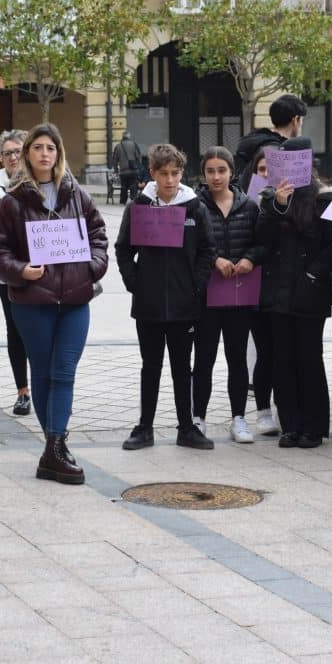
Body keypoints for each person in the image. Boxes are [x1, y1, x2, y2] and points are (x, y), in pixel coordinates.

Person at [0, 123, 108, 484]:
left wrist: (92, 266)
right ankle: (54, 447)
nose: (44, 153)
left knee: (64, 370)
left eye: (50, 148)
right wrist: (20, 271)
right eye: (37, 147)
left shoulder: (77, 195)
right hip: (32, 302)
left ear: (59, 154)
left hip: (74, 299)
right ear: (27, 155)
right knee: (42, 372)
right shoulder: (13, 200)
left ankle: (54, 446)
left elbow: (99, 235)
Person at [117, 143, 217, 450]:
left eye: (175, 173)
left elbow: (207, 250)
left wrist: (195, 286)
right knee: (151, 365)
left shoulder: (195, 207)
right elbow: (123, 249)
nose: (170, 180)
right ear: (152, 174)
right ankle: (144, 426)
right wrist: (135, 283)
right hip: (148, 304)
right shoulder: (138, 206)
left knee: (180, 367)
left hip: (184, 304)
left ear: (182, 173)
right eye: (163, 174)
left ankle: (186, 427)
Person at [255, 136, 332, 448]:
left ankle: (314, 426)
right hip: (277, 290)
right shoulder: (270, 197)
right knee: (282, 360)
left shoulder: (323, 197)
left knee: (309, 359)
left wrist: (313, 273)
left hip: (309, 291)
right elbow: (262, 237)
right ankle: (290, 424)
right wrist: (278, 204)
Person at [192, 146, 263, 444]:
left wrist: (250, 258)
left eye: (222, 170)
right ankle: (198, 417)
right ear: (203, 173)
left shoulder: (249, 206)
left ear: (232, 172)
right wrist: (215, 260)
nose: (216, 176)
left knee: (237, 358)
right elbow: (190, 247)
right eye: (211, 171)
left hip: (239, 293)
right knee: (204, 357)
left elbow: (261, 242)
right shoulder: (194, 206)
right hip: (206, 294)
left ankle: (239, 418)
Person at [0, 129, 34, 416]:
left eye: (18, 151)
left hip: (44, 269)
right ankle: (23, 392)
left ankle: (46, 386)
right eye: (8, 153)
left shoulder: (44, 179)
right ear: (0, 157)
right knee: (15, 329)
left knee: (42, 329)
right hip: (9, 271)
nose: (13, 157)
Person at [246, 147, 279, 435]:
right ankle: (263, 410)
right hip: (256, 287)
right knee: (264, 351)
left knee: (283, 350)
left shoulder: (292, 201)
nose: (267, 175)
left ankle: (285, 406)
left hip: (283, 287)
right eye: (261, 170)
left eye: (272, 170)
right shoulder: (247, 204)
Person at [233, 93, 307, 191]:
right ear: (295, 120)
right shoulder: (276, 151)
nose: (301, 124)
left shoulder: (257, 142)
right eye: (301, 120)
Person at [110, 131, 145, 205]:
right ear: (129, 137)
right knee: (134, 186)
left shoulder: (118, 146)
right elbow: (139, 157)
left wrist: (116, 171)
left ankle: (123, 201)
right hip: (133, 171)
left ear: (122, 137)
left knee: (124, 187)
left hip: (123, 172)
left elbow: (115, 160)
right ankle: (133, 200)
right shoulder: (134, 145)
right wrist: (139, 168)